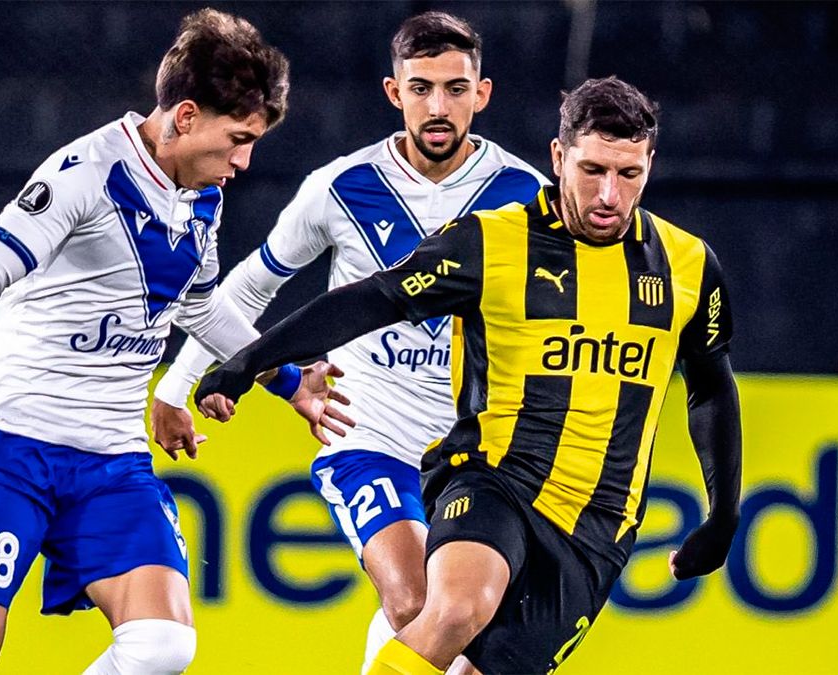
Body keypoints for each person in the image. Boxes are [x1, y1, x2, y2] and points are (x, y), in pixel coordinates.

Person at [194, 76, 742, 675]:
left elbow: (711, 386)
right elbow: (373, 299)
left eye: (629, 174)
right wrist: (249, 362)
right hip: (493, 479)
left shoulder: (689, 264)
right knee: (452, 609)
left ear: (649, 164)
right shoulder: (491, 241)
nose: (610, 194)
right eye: (592, 170)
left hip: (598, 521)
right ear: (559, 157)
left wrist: (723, 515)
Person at [0, 10, 353, 675]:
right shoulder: (85, 173)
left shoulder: (202, 196)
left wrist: (284, 377)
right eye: (238, 139)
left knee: (163, 645)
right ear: (185, 117)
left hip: (110, 460)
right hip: (8, 451)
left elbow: (196, 305)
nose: (244, 162)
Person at [150, 13, 546, 670]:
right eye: (420, 88)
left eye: (455, 89)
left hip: (482, 454)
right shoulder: (342, 187)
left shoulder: (528, 197)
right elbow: (249, 285)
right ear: (394, 93)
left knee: (472, 645)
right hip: (371, 438)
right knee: (416, 603)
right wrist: (177, 382)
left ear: (482, 94)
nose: (437, 107)